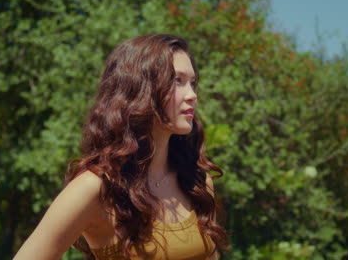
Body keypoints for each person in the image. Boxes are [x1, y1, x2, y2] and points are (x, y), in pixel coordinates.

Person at [13, 34, 228, 260]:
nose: (192, 95)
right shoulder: (96, 187)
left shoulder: (198, 183)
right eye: (177, 81)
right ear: (139, 88)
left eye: (192, 83)